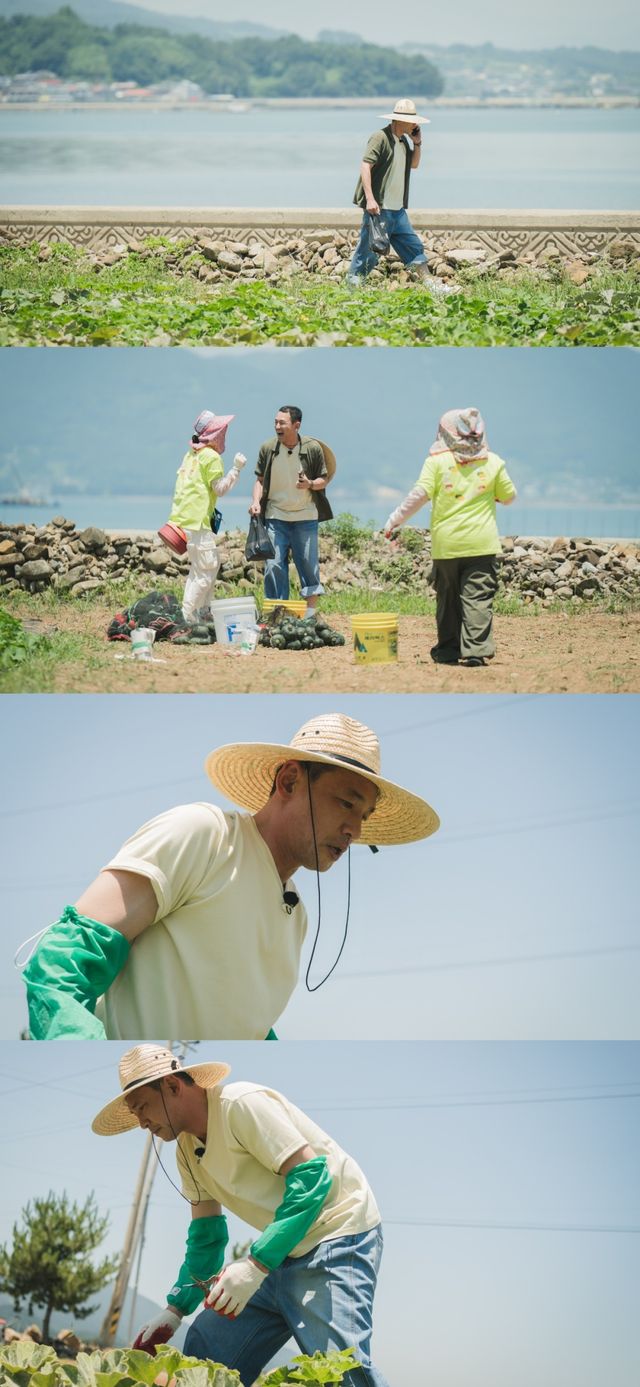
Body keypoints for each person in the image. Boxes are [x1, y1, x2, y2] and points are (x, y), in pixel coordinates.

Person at [21, 713, 439, 1040]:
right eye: (346, 803)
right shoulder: (204, 836)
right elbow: (62, 959)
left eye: (363, 816)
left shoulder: (297, 919)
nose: (356, 830)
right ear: (289, 780)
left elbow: (246, 1028)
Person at [93, 1045, 392, 1387]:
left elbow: (312, 1178)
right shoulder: (187, 1153)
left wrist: (256, 1265)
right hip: (278, 1250)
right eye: (135, 1114)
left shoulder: (239, 1104)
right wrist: (175, 1309)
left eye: (143, 1107)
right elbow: (206, 1240)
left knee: (341, 1372)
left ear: (174, 1086)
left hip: (336, 1233)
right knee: (207, 1350)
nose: (142, 1122)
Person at [384, 408, 517, 667]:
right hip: (481, 545)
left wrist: (393, 521)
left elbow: (418, 497)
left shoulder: (436, 462)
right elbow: (509, 497)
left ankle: (447, 651)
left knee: (447, 600)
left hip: (446, 547)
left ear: (445, 432)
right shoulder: (493, 462)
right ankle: (476, 650)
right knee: (478, 597)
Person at [347, 98, 456, 296]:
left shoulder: (403, 141)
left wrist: (418, 143)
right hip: (380, 208)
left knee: (414, 248)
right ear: (398, 120)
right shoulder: (380, 137)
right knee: (367, 253)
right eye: (412, 121)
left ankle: (433, 288)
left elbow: (414, 165)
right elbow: (365, 165)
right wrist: (370, 199)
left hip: (398, 210)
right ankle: (352, 291)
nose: (415, 125)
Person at [250, 406, 333, 620]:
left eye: (282, 423)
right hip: (275, 516)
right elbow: (259, 481)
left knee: (308, 565)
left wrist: (310, 484)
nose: (277, 426)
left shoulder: (312, 449)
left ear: (296, 425)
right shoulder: (268, 448)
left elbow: (324, 479)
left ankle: (311, 615)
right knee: (274, 565)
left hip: (305, 517)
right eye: (276, 422)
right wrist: (255, 501)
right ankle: (277, 614)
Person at [168, 410, 247, 622]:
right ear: (215, 434)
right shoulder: (211, 457)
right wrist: (236, 470)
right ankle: (187, 617)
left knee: (202, 569)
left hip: (183, 522)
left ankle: (203, 615)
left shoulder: (191, 455)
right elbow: (220, 489)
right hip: (199, 524)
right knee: (205, 572)